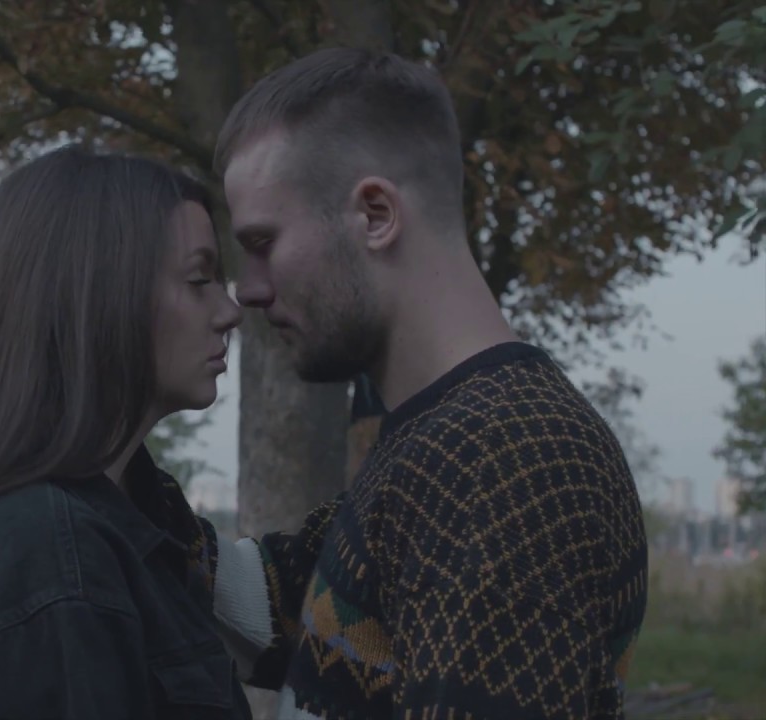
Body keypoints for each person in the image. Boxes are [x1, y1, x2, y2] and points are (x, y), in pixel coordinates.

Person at [147, 47, 649, 719]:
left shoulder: (506, 459)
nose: (251, 291)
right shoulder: (441, 441)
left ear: (376, 214)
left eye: (263, 244)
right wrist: (96, 442)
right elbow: (287, 607)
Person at [0, 145, 251, 719]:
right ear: (98, 293)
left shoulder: (130, 526)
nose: (230, 312)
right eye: (199, 279)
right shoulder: (50, 561)